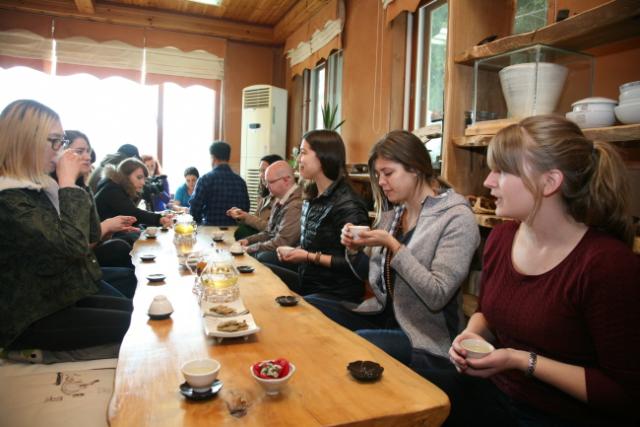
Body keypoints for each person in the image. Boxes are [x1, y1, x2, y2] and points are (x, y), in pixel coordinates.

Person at [426, 115, 640, 426]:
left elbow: (625, 394)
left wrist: (520, 360)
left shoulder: (607, 265)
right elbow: (487, 312)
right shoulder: (501, 238)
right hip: (496, 395)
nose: (488, 182)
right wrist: (471, 334)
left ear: (549, 182)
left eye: (502, 171)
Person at [306, 130, 480, 372]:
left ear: (415, 168)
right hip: (384, 317)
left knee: (360, 344)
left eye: (388, 173)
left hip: (429, 338)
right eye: (378, 175)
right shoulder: (395, 214)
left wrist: (394, 246)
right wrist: (354, 250)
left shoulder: (456, 218)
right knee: (310, 306)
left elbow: (437, 295)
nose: (381, 182)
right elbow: (372, 276)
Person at [0, 99, 132, 352]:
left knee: (144, 315)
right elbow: (73, 247)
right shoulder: (8, 198)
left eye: (61, 141)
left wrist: (79, 181)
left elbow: (91, 232)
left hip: (64, 298)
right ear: (25, 141)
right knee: (140, 326)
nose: (60, 150)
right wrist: (68, 184)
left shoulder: (39, 188)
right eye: (54, 141)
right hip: (32, 317)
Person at [264, 130, 369, 302]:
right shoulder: (311, 194)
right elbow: (316, 243)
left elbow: (353, 265)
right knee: (262, 268)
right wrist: (297, 251)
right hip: (310, 281)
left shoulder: (348, 203)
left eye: (303, 153)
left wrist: (307, 256)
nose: (298, 159)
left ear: (323, 156)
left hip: (334, 294)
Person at [64, 131, 138, 298]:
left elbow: (90, 238)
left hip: (87, 265)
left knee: (130, 269)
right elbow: (75, 249)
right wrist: (105, 227)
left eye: (88, 151)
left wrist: (108, 230)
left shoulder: (83, 188)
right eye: (79, 151)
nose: (87, 157)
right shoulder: (65, 191)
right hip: (75, 277)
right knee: (122, 250)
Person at [237, 160, 302, 259]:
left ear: (286, 180)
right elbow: (269, 232)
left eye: (270, 182)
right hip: (278, 250)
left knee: (261, 257)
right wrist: (248, 241)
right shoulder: (279, 199)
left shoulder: (296, 205)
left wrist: (250, 248)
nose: (267, 186)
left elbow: (282, 242)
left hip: (289, 256)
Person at [95, 157, 173, 229]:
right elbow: (133, 213)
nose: (143, 183)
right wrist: (159, 218)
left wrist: (158, 218)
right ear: (125, 176)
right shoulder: (112, 189)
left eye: (144, 179)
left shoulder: (120, 188)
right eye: (139, 177)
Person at [189, 141, 250, 226]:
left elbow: (194, 209)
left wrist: (200, 222)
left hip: (209, 230)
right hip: (235, 231)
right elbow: (246, 210)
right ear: (228, 157)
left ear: (213, 158)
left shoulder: (205, 179)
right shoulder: (241, 182)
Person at [227, 154, 283, 239]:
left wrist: (246, 216)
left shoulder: (283, 199)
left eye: (264, 171)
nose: (260, 175)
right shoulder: (265, 196)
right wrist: (240, 215)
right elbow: (256, 221)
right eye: (260, 171)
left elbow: (271, 229)